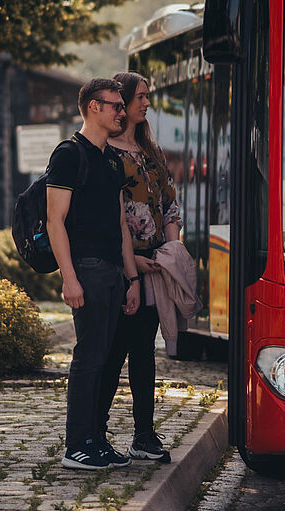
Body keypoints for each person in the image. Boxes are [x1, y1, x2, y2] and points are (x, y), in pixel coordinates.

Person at [46, 78, 141, 471]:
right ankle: (76, 445)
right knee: (88, 357)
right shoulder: (69, 154)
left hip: (114, 272)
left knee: (106, 359)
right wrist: (69, 277)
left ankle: (96, 439)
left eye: (123, 105)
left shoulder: (112, 160)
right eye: (115, 105)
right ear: (92, 108)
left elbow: (120, 223)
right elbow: (55, 220)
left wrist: (132, 279)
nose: (122, 112)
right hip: (85, 268)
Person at [98, 72, 184, 463]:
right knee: (114, 352)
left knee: (145, 352)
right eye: (141, 97)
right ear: (123, 102)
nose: (147, 103)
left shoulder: (151, 151)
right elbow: (106, 219)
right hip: (122, 263)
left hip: (155, 263)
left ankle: (144, 436)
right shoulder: (106, 153)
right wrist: (131, 260)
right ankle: (95, 434)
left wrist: (170, 252)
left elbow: (169, 204)